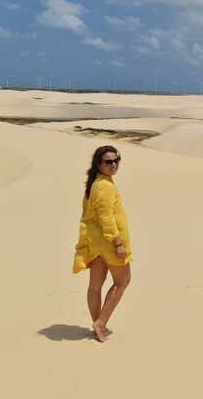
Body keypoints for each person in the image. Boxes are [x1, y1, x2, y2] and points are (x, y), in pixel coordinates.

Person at [73, 145, 132, 342]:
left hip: (96, 243)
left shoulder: (96, 184)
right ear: (99, 164)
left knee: (95, 286)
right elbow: (106, 217)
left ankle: (97, 325)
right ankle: (100, 323)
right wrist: (117, 243)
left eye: (116, 160)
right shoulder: (105, 187)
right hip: (109, 243)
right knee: (122, 281)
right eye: (108, 161)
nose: (113, 164)